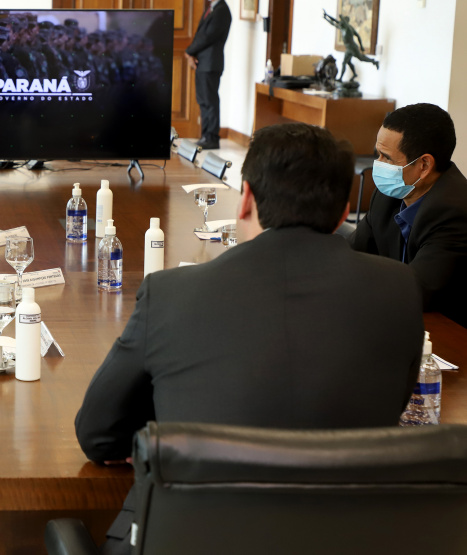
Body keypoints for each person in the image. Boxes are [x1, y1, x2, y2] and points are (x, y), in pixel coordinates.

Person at [76, 123, 424, 555]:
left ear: (245, 199)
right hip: (343, 537)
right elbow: (389, 410)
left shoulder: (171, 293)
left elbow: (98, 435)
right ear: (342, 214)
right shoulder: (400, 289)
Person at [348, 103, 467, 327]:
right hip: (403, 320)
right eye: (377, 154)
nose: (378, 165)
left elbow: (415, 290)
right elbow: (351, 256)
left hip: (450, 335)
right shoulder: (387, 197)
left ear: (424, 165)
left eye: (387, 158)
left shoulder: (455, 212)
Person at [184, 0, 231, 150]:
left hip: (211, 63)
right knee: (203, 100)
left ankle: (211, 137)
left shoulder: (222, 10)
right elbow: (201, 34)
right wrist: (193, 54)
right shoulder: (212, 8)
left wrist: (189, 51)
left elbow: (208, 36)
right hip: (203, 62)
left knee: (210, 101)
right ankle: (205, 136)